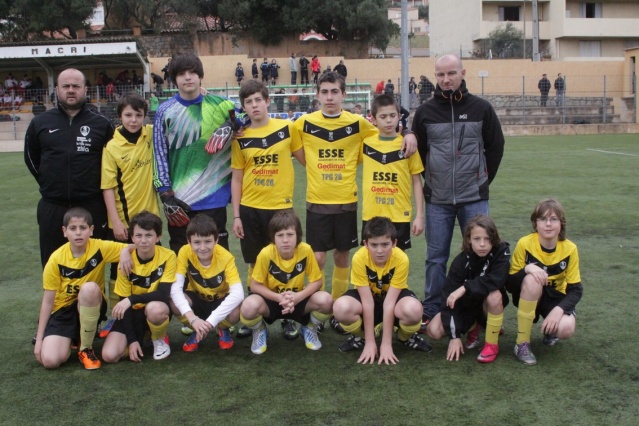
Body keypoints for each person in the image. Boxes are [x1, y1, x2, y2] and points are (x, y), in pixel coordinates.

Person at [291, 72, 417, 331]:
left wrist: (409, 131)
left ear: (344, 95)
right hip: (316, 200)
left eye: (334, 92)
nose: (329, 97)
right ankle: (319, 307)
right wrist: (313, 167)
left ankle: (336, 308)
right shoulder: (303, 123)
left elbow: (389, 125)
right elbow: (296, 149)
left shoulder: (359, 124)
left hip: (347, 202)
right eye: (324, 92)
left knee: (341, 256)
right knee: (317, 258)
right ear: (317, 95)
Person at [412, 53, 505, 329]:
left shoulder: (481, 108)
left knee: (481, 254)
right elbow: (420, 153)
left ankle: (478, 312)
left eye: (451, 73)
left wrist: (481, 180)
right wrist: (434, 179)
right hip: (437, 199)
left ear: (463, 73)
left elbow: (495, 146)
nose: (446, 79)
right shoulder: (425, 112)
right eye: (440, 74)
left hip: (474, 198)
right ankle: (432, 308)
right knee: (435, 258)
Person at [231, 79, 305, 338]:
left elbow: (306, 160)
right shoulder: (240, 137)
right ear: (244, 107)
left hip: (281, 209)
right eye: (248, 102)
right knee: (255, 261)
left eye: (258, 100)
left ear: (267, 101)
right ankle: (254, 315)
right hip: (250, 208)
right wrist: (237, 215)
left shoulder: (287, 128)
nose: (254, 105)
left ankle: (287, 315)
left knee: (285, 260)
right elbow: (237, 179)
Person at [153, 53, 247, 254]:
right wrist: (165, 194)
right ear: (174, 79)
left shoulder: (220, 104)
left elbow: (248, 113)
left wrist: (230, 125)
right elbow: (159, 154)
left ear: (200, 76)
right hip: (179, 199)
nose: (187, 77)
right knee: (182, 256)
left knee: (217, 255)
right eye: (181, 74)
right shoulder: (165, 111)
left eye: (192, 73)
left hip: (214, 194)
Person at [25, 68, 114, 268]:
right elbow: (31, 159)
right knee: (53, 265)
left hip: (91, 205)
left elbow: (112, 163)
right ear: (57, 89)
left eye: (76, 86)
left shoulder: (101, 123)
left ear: (85, 89)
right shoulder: (40, 122)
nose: (71, 90)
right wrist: (49, 181)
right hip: (53, 206)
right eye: (65, 86)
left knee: (91, 267)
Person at [33, 207, 132, 370]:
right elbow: (48, 301)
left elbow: (138, 246)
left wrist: (126, 251)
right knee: (50, 361)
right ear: (64, 232)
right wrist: (39, 339)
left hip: (91, 303)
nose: (78, 233)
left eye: (83, 228)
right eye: (73, 228)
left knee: (90, 288)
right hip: (63, 311)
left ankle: (85, 348)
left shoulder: (99, 247)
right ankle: (71, 339)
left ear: (91, 230)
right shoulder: (56, 258)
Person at [100, 92, 161, 336]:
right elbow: (107, 187)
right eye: (128, 115)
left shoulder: (150, 135)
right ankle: (116, 316)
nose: (133, 120)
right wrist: (116, 222)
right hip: (124, 223)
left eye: (138, 115)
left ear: (144, 116)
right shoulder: (112, 147)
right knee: (119, 270)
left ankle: (148, 316)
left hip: (151, 222)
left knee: (151, 269)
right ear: (120, 117)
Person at [333, 217, 432, 364]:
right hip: (368, 300)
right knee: (341, 307)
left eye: (385, 244)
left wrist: (386, 345)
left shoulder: (401, 258)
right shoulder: (359, 258)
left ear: (394, 243)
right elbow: (367, 302)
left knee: (414, 309)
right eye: (374, 245)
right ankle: (364, 337)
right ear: (366, 244)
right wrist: (370, 343)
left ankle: (404, 337)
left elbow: (389, 303)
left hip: (392, 301)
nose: (380, 251)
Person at [239, 210, 333, 354]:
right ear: (273, 237)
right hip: (273, 300)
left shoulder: (306, 250)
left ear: (298, 235)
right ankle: (259, 330)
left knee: (327, 301)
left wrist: (298, 297)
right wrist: (278, 297)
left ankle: (309, 328)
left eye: (290, 234)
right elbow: (255, 285)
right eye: (280, 235)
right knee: (248, 307)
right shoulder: (266, 253)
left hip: (297, 300)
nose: (285, 240)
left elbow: (317, 281)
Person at [506, 198, 582, 366]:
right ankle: (522, 343)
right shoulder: (525, 244)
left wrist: (558, 310)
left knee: (566, 329)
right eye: (543, 219)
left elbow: (576, 290)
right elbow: (510, 285)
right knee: (533, 279)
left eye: (553, 219)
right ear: (535, 223)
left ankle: (551, 330)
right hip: (529, 294)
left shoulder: (570, 248)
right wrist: (527, 269)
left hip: (555, 298)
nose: (548, 224)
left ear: (561, 223)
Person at [426, 215, 510, 363]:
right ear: (469, 239)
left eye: (487, 238)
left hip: (486, 305)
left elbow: (497, 279)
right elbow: (449, 298)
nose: (482, 244)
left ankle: (491, 345)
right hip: (466, 307)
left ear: (494, 238)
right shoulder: (460, 262)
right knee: (433, 330)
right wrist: (454, 337)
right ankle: (473, 326)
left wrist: (465, 287)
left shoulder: (501, 251)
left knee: (494, 295)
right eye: (477, 239)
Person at [101, 212, 176, 363]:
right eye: (138, 235)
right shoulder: (125, 262)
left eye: (149, 235)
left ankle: (159, 338)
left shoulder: (168, 256)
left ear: (158, 237)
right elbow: (125, 306)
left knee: (156, 309)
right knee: (109, 356)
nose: (143, 240)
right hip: (131, 313)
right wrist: (132, 340)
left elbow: (162, 294)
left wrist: (131, 299)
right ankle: (140, 339)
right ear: (132, 238)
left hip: (153, 310)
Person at [170, 214, 244, 352]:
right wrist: (192, 318)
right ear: (189, 241)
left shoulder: (226, 257)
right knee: (173, 301)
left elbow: (238, 294)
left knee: (237, 310)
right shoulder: (185, 251)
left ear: (216, 240)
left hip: (219, 301)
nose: (203, 247)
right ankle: (196, 327)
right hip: (197, 300)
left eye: (208, 241)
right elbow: (175, 288)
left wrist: (210, 323)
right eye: (197, 242)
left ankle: (221, 328)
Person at [361, 94, 424, 251]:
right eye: (383, 117)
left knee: (397, 259)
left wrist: (419, 216)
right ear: (373, 119)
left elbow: (417, 181)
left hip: (399, 215)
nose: (388, 120)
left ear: (399, 116)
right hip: (371, 214)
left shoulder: (408, 145)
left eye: (392, 115)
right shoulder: (366, 143)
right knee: (371, 259)